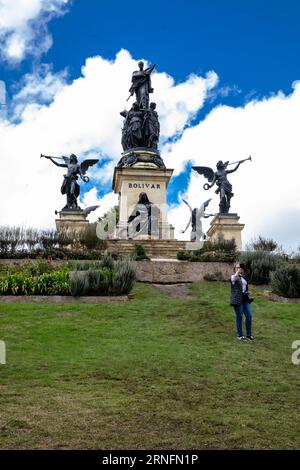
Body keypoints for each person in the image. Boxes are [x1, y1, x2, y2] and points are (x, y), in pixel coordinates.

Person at [230, 262, 254, 341]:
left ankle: (248, 335)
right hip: (237, 299)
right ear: (235, 269)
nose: (239, 269)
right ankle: (239, 335)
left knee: (249, 316)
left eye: (240, 268)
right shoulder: (234, 277)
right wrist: (237, 272)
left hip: (245, 299)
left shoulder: (243, 278)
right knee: (239, 316)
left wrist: (248, 292)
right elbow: (233, 279)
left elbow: (244, 288)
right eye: (237, 267)